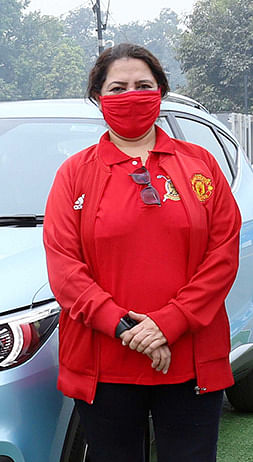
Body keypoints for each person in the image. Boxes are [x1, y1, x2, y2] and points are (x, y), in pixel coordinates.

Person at [43, 43, 240, 462]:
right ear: (98, 98)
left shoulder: (200, 164)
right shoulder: (74, 174)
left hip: (190, 359)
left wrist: (169, 323)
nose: (130, 96)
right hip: (104, 363)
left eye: (142, 86)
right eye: (117, 88)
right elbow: (64, 268)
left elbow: (222, 255)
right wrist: (125, 328)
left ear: (161, 92)